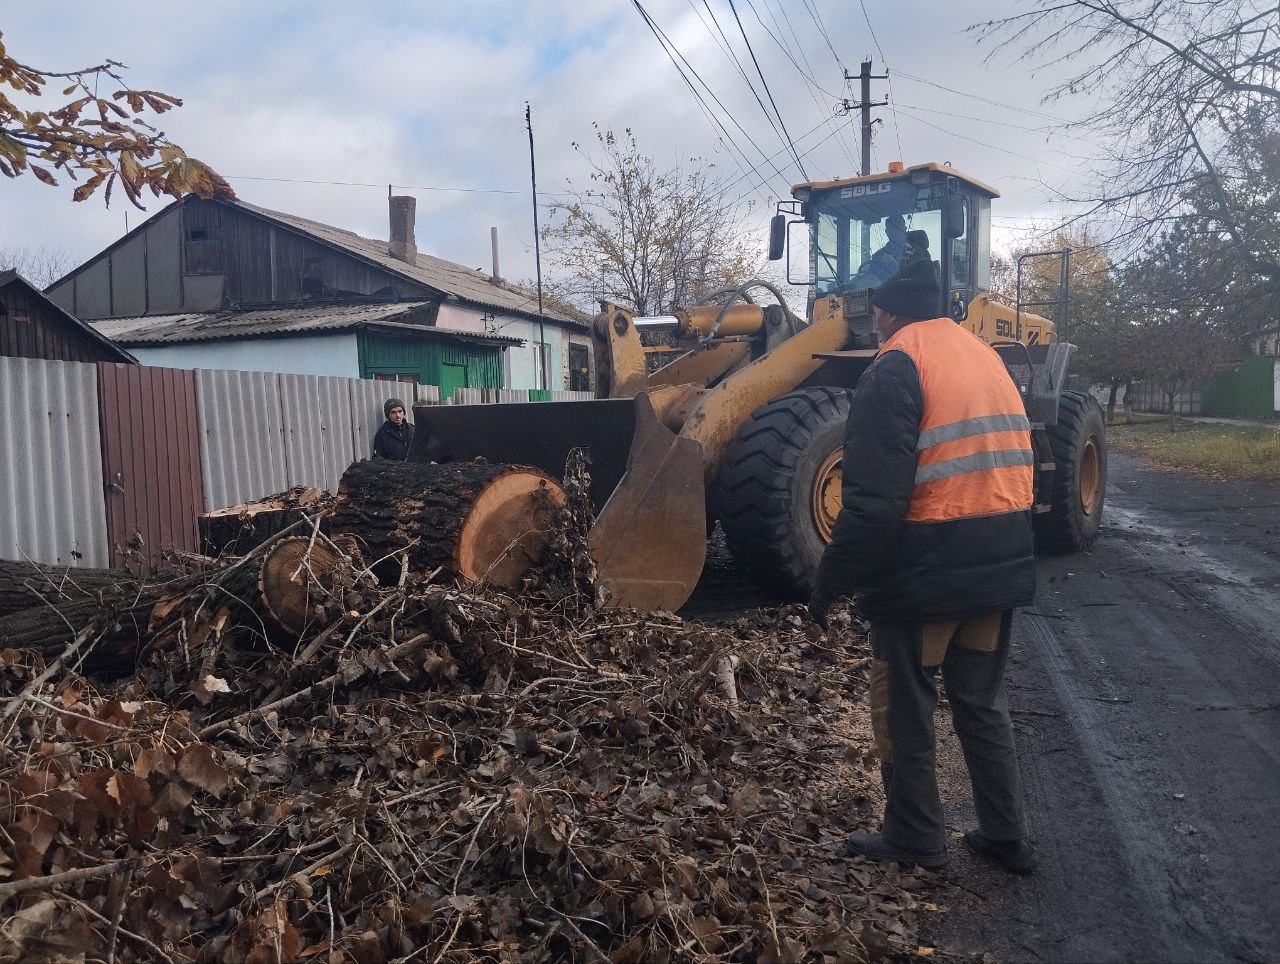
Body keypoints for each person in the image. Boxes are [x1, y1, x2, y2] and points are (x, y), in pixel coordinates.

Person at [808, 257, 1038, 875]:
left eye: (874, 310)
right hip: (999, 561)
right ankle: (1005, 834)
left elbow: (873, 502)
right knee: (980, 703)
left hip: (925, 572)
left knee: (903, 707)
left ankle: (914, 835)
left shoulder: (896, 364)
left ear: (887, 310)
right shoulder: (983, 357)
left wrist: (830, 584)